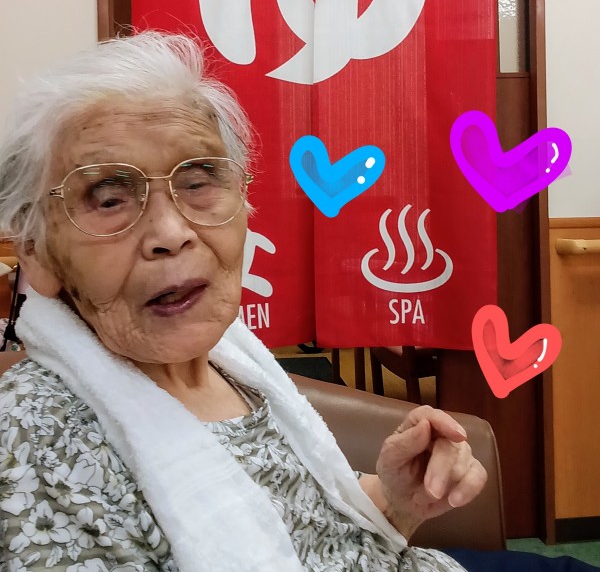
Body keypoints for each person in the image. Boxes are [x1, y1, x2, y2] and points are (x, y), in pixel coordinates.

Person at [0, 33, 594, 572]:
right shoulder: (33, 440)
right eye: (108, 198)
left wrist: (397, 499)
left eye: (199, 180)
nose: (171, 232)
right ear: (38, 251)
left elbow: (300, 527)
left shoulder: (231, 358)